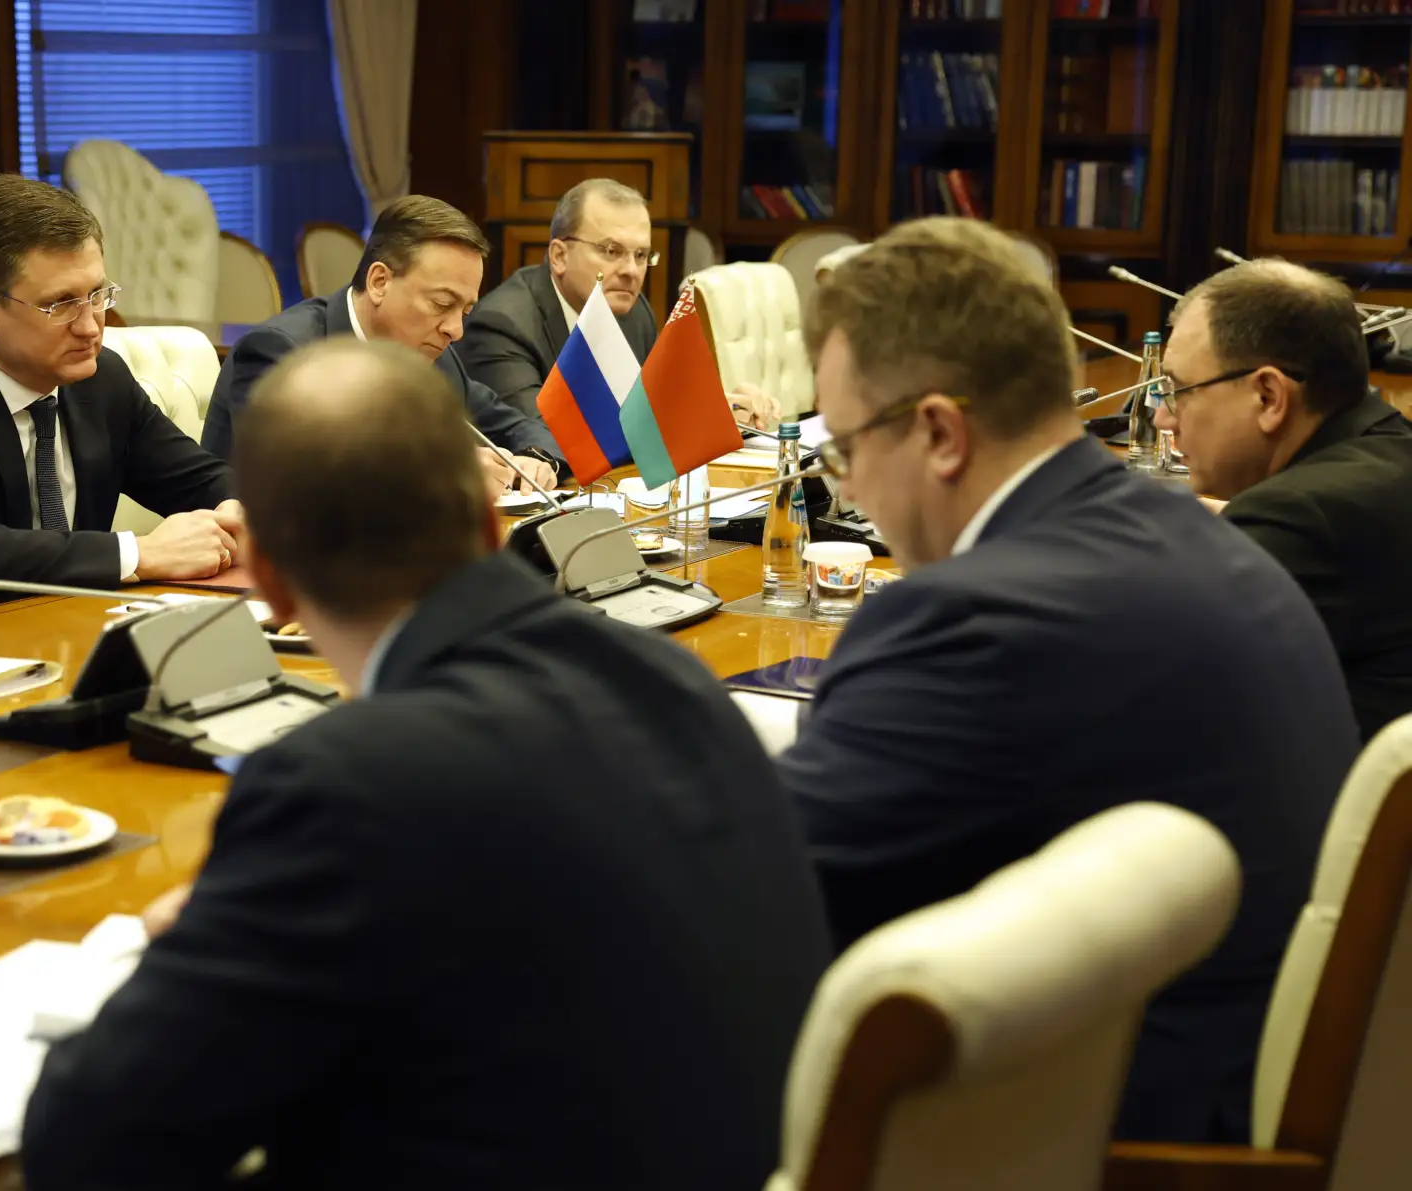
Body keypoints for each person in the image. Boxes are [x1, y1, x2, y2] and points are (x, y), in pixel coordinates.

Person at [21, 339, 832, 1191]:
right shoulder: (676, 682)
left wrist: (195, 940)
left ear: (269, 579)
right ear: (487, 526)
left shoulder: (344, 784)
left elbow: (90, 1144)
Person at [774, 218, 1356, 1145]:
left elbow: (762, 906)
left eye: (844, 451)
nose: (849, 492)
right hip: (1248, 1088)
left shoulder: (968, 621)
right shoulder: (1196, 532)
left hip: (1136, 1145)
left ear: (938, 432)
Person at [0, 174, 241, 596]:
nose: (90, 327)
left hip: (76, 618)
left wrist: (239, 514)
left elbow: (201, 481)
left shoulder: (101, 381)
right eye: (61, 304)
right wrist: (137, 554)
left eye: (97, 295)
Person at [1158, 260, 1412, 741]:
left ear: (1269, 397)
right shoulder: (1388, 445)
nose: (1163, 421)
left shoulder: (1295, 518)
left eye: (1178, 391)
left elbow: (1164, 695)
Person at [200, 194, 566, 496]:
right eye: (442, 304)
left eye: (465, 311)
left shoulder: (436, 357)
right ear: (379, 282)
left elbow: (520, 425)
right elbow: (294, 485)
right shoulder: (282, 352)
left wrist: (536, 459)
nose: (456, 330)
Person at [454, 178, 661, 417]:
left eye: (641, 255)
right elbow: (537, 432)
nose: (632, 271)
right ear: (559, 256)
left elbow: (655, 417)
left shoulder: (635, 314)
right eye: (612, 251)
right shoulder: (502, 327)